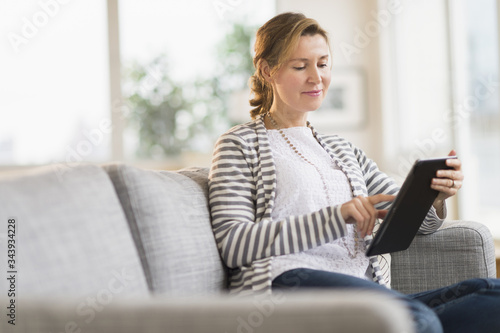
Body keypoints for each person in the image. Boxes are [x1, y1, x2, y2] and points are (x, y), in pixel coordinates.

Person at [208, 12, 500, 333]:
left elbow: (416, 222)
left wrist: (435, 196)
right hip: (286, 280)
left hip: (356, 281)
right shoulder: (240, 143)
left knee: (491, 294)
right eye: (300, 66)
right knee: (416, 320)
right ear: (267, 70)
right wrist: (338, 216)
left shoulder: (343, 150)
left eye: (322, 63)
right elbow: (234, 244)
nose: (316, 77)